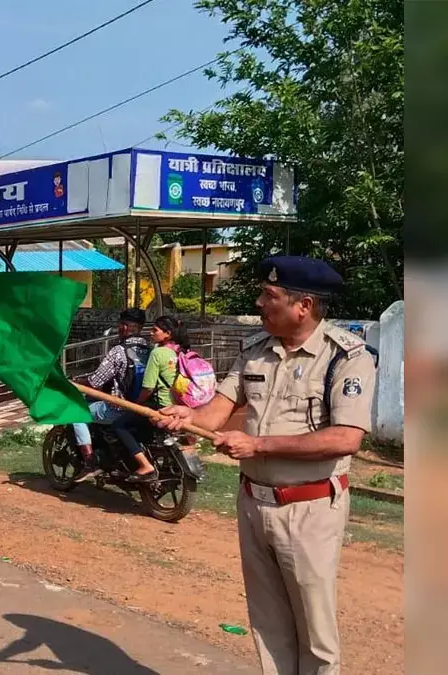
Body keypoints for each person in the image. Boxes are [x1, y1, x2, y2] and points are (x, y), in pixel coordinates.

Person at [155, 256, 376, 675]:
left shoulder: (346, 357)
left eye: (269, 295)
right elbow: (218, 410)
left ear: (303, 305)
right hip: (253, 503)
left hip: (309, 508)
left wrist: (257, 445)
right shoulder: (255, 350)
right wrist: (188, 416)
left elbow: (346, 438)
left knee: (314, 629)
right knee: (268, 622)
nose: (259, 303)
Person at [68, 308, 150, 481]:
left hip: (118, 408)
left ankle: (90, 462)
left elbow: (95, 381)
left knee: (76, 412)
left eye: (120, 325)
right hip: (142, 407)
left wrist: (76, 381)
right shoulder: (150, 350)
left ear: (125, 327)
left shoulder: (118, 351)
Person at [110, 315, 190, 482]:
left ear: (167, 333)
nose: (151, 333)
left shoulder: (158, 352)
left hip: (161, 406)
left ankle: (145, 465)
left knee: (119, 425)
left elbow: (148, 387)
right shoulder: (182, 351)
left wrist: (136, 404)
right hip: (182, 407)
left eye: (155, 330)